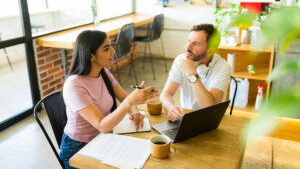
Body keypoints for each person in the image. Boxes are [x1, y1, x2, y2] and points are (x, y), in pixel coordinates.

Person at [59, 30, 159, 169]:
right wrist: (130, 102)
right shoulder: (74, 85)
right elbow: (102, 125)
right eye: (106, 48)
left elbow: (124, 97)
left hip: (103, 139)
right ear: (91, 56)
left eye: (111, 45)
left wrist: (134, 111)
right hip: (78, 148)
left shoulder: (103, 72)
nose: (113, 51)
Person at [160, 24, 231, 122]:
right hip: (187, 117)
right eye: (189, 41)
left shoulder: (223, 67)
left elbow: (210, 107)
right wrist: (171, 108)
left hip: (212, 120)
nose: (188, 47)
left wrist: (191, 73)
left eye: (196, 44)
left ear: (210, 51)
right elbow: (166, 94)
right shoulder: (180, 60)